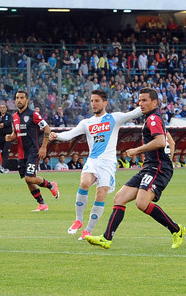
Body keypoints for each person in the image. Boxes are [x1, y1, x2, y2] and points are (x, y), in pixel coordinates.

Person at [85, 87, 184, 249]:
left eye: (145, 100)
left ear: (154, 102)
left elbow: (160, 142)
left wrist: (137, 151)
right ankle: (106, 238)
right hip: (151, 167)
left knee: (141, 203)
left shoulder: (153, 119)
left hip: (157, 168)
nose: (141, 103)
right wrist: (167, 160)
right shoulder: (154, 118)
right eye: (139, 100)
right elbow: (170, 142)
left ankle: (176, 229)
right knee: (119, 198)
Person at [50, 89, 142, 240]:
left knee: (100, 194)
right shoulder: (87, 122)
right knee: (84, 182)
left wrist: (148, 104)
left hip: (108, 164)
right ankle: (78, 220)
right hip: (93, 160)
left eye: (97, 101)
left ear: (105, 103)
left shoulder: (114, 118)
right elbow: (70, 134)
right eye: (92, 101)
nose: (94, 103)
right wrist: (57, 135)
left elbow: (133, 113)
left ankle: (88, 230)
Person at [6, 90, 59, 211]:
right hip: (21, 153)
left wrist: (44, 147)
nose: (19, 100)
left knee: (29, 177)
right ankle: (42, 204)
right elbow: (16, 133)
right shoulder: (14, 117)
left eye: (21, 98)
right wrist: (11, 136)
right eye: (17, 98)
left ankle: (51, 185)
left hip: (33, 151)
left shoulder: (33, 114)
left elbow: (47, 128)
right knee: (28, 180)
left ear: (27, 100)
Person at [0, 103, 13, 173]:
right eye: (1, 107)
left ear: (6, 108)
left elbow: (9, 123)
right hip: (0, 135)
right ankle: (5, 167)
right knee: (2, 151)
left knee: (5, 151)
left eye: (3, 107)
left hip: (7, 135)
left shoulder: (9, 115)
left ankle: (3, 167)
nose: (2, 109)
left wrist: (3, 124)